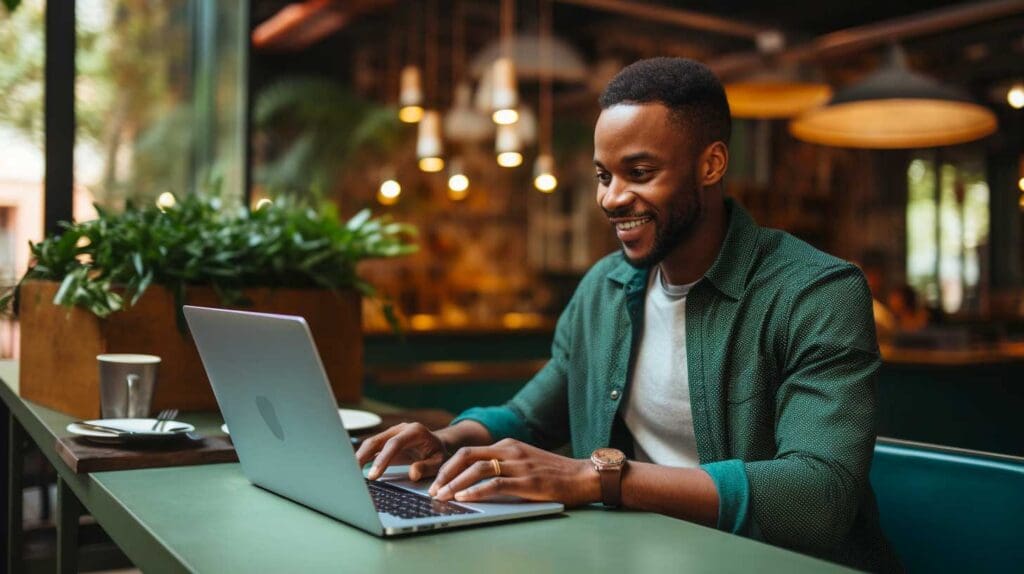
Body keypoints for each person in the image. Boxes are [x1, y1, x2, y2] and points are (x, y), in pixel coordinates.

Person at [357, 57, 898, 571]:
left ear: (710, 164)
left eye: (639, 172)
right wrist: (448, 440)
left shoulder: (817, 292)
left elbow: (818, 496)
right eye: (603, 175)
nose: (612, 198)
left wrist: (598, 479)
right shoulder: (603, 288)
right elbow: (531, 416)